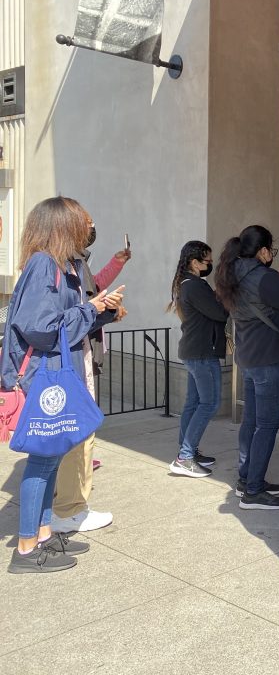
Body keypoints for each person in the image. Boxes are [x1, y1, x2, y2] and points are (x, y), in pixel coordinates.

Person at [4, 197, 123, 573]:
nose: (87, 228)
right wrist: (92, 309)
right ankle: (25, 548)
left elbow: (63, 324)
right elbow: (39, 327)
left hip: (52, 374)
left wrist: (100, 312)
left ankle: (42, 533)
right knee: (42, 460)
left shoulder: (59, 266)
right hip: (42, 378)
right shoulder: (44, 265)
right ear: (62, 226)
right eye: (82, 221)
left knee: (51, 457)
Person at [49, 221, 131, 531]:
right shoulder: (57, 265)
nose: (93, 226)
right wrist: (97, 308)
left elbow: (91, 290)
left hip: (80, 354)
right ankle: (69, 507)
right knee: (78, 432)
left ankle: (68, 503)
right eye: (87, 223)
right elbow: (69, 313)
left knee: (80, 433)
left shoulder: (74, 262)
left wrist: (104, 305)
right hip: (71, 359)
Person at [214, 225, 279, 510]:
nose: (271, 255)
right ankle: (254, 490)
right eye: (270, 250)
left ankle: (246, 478)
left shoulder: (232, 274)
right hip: (271, 360)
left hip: (248, 358)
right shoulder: (265, 277)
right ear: (262, 250)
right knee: (267, 426)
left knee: (252, 421)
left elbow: (264, 300)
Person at [167, 240, 227, 478]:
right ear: (194, 262)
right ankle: (185, 457)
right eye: (208, 261)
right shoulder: (194, 286)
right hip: (201, 353)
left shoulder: (187, 284)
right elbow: (219, 313)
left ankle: (188, 449)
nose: (210, 264)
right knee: (209, 403)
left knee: (193, 403)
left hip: (194, 351)